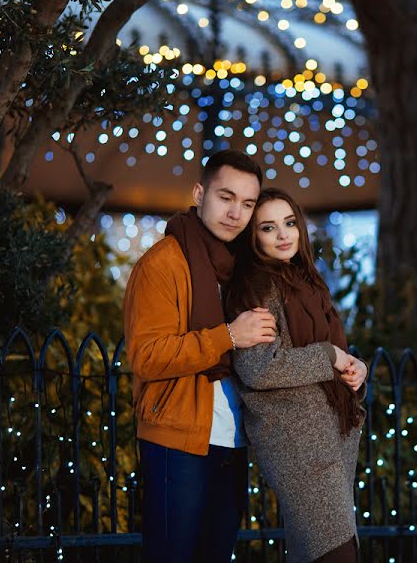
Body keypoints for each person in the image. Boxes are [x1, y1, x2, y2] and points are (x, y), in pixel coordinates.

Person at [123, 150, 278, 562]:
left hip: (233, 438)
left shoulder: (245, 269)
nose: (236, 213)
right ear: (198, 193)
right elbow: (147, 356)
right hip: (178, 436)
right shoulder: (162, 264)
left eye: (247, 204)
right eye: (226, 197)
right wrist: (227, 335)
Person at [226, 188, 368, 563]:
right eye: (269, 228)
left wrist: (355, 368)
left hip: (330, 437)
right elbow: (260, 367)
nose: (284, 234)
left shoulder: (306, 280)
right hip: (296, 445)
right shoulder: (256, 287)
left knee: (331, 551)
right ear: (252, 237)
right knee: (334, 552)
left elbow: (334, 353)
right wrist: (328, 356)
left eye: (290, 223)